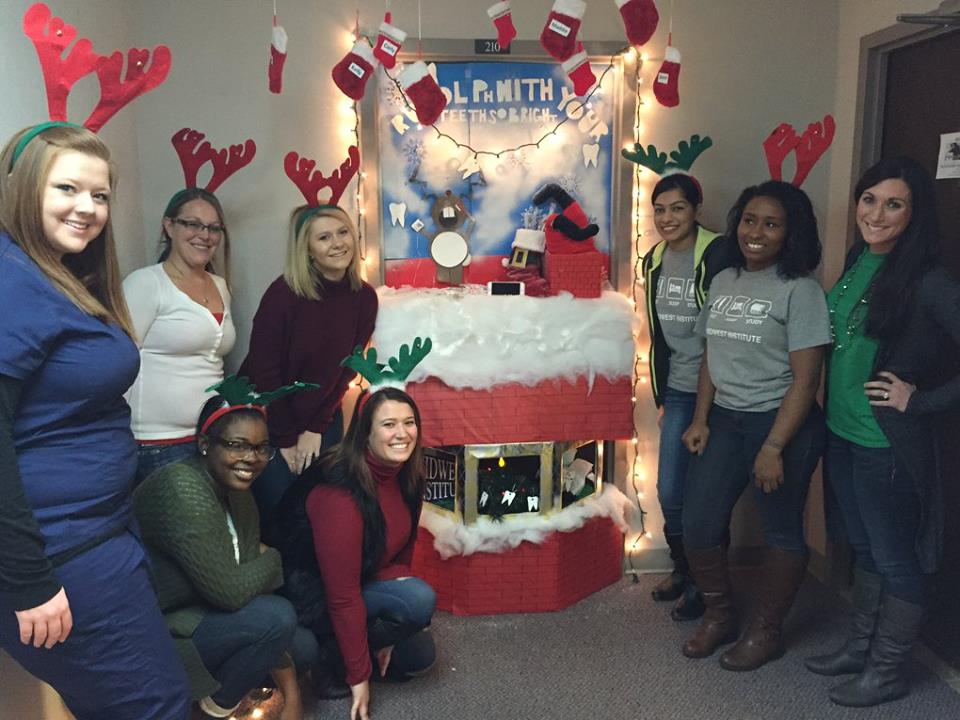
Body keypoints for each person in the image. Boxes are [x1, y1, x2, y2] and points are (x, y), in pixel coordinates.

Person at [0, 122, 189, 719]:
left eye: (100, 195)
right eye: (66, 189)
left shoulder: (52, 274)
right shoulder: (12, 281)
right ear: (18, 188)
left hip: (96, 534)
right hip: (61, 550)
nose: (87, 208)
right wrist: (30, 580)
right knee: (156, 706)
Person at [805, 157, 960, 707]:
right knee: (866, 549)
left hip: (885, 444)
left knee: (896, 559)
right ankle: (861, 648)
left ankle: (888, 672)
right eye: (869, 199)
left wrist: (920, 400)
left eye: (893, 203)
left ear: (914, 213)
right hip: (843, 433)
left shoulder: (930, 281)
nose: (876, 213)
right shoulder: (858, 259)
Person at [679, 180, 830, 670]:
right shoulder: (724, 280)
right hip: (725, 420)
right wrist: (701, 418)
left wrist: (774, 446)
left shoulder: (801, 291)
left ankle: (766, 631)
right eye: (749, 220)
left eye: (772, 223)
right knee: (698, 522)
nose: (757, 232)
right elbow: (710, 358)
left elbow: (807, 381)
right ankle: (720, 616)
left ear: (791, 233)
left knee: (782, 531)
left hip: (783, 423)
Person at [133, 384, 317, 719]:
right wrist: (274, 557)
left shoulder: (239, 494)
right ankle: (210, 712)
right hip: (160, 631)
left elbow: (245, 588)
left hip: (205, 613)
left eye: (262, 448)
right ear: (205, 445)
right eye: (237, 445)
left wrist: (292, 697)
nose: (252, 458)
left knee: (302, 646)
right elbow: (231, 593)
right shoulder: (182, 488)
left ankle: (214, 702)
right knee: (276, 618)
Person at [276, 387, 437, 720]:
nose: (402, 433)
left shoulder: (408, 475)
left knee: (419, 657)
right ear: (365, 433)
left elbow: (401, 554)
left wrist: (394, 631)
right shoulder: (341, 492)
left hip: (363, 576)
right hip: (314, 595)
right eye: (388, 424)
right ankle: (330, 656)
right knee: (418, 600)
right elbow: (342, 596)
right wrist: (359, 677)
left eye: (409, 422)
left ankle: (357, 645)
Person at [241, 204, 377, 536]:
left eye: (343, 232)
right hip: (271, 420)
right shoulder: (284, 294)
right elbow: (265, 371)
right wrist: (286, 438)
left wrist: (316, 428)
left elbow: (348, 369)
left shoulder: (365, 298)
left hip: (323, 418)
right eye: (324, 237)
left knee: (322, 516)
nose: (337, 243)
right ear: (308, 250)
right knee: (280, 517)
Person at [642, 173, 735, 622]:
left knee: (706, 495)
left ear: (696, 209)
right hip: (678, 390)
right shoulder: (653, 259)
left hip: (718, 391)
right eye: (660, 209)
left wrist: (704, 408)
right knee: (670, 490)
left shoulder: (718, 253)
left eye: (677, 208)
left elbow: (723, 335)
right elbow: (660, 337)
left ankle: (707, 586)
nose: (667, 218)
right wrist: (663, 397)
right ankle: (686, 570)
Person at [124, 187, 236, 483]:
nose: (205, 235)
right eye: (192, 224)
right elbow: (118, 364)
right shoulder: (146, 283)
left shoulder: (220, 285)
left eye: (214, 228)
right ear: (169, 225)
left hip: (210, 438)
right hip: (156, 444)